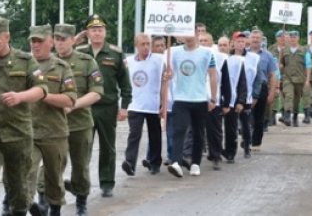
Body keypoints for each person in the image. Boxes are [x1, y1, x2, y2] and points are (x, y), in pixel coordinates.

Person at [0, 17, 48, 216]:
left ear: (7, 37)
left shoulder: (25, 60)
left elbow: (42, 89)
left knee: (18, 185)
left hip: (18, 134)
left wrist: (20, 96)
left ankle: (20, 211)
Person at [78, 14, 132, 197]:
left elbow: (125, 83)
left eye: (100, 30)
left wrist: (124, 106)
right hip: (84, 107)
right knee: (83, 146)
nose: (97, 33)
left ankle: (107, 182)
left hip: (107, 107)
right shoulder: (80, 52)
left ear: (105, 32)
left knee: (107, 147)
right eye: (93, 30)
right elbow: (59, 58)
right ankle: (81, 183)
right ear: (87, 33)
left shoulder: (115, 54)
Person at [54, 24, 103, 216]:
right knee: (51, 166)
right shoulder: (46, 63)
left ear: (72, 40)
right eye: (56, 39)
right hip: (53, 125)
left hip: (80, 124)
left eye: (63, 39)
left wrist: (73, 104)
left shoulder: (86, 61)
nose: (59, 43)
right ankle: (48, 203)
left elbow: (97, 92)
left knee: (80, 167)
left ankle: (81, 202)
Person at [28, 24, 77, 216]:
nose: (36, 45)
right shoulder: (23, 65)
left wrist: (43, 95)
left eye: (40, 41)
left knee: (54, 178)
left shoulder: (62, 67)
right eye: (33, 41)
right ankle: (26, 205)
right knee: (26, 173)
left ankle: (54, 210)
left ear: (51, 42)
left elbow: (70, 99)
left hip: (54, 132)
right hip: (28, 131)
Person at [167, 34, 217, 177]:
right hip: (181, 98)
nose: (188, 38)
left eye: (191, 35)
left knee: (198, 132)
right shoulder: (175, 52)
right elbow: (170, 72)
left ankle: (195, 163)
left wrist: (213, 98)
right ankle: (176, 162)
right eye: (185, 35)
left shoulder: (207, 53)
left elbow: (213, 75)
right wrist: (167, 75)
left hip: (199, 98)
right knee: (179, 129)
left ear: (196, 35)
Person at [122, 33, 166, 176]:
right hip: (135, 103)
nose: (146, 47)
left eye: (148, 44)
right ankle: (130, 163)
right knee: (134, 133)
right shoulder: (128, 62)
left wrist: (163, 103)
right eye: (143, 44)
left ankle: (154, 163)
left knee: (155, 134)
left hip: (152, 103)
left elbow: (165, 81)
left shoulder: (159, 60)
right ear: (136, 46)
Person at [199, 32, 232, 170]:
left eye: (205, 40)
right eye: (200, 40)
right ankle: (192, 157)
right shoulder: (193, 56)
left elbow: (226, 82)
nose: (203, 43)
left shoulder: (220, 58)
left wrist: (227, 102)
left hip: (214, 100)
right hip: (196, 98)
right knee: (195, 131)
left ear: (211, 43)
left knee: (214, 131)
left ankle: (216, 156)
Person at [248, 29, 277, 148]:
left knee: (259, 117)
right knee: (247, 115)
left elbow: (273, 75)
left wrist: (271, 93)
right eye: (253, 37)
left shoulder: (267, 55)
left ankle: (256, 143)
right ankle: (247, 138)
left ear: (261, 40)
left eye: (257, 38)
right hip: (247, 86)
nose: (255, 40)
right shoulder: (244, 53)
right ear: (249, 39)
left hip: (262, 87)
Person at [279, 31, 311, 126]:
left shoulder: (304, 50)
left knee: (297, 99)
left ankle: (295, 117)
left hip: (300, 78)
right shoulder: (284, 50)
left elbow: (308, 65)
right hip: (287, 78)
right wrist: (280, 65)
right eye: (291, 37)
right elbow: (281, 63)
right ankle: (287, 115)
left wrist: (307, 79)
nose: (293, 39)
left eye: (294, 37)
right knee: (289, 95)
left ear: (298, 38)